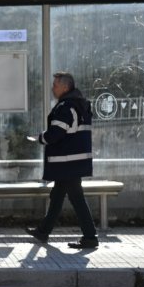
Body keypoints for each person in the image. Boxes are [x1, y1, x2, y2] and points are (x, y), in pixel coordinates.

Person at [25, 72, 99, 249]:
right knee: (57, 195)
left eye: (55, 85)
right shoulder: (79, 105)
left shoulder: (66, 107)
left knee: (76, 198)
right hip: (75, 160)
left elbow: (56, 134)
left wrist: (40, 138)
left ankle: (90, 236)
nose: (52, 88)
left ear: (65, 87)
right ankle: (43, 231)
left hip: (67, 162)